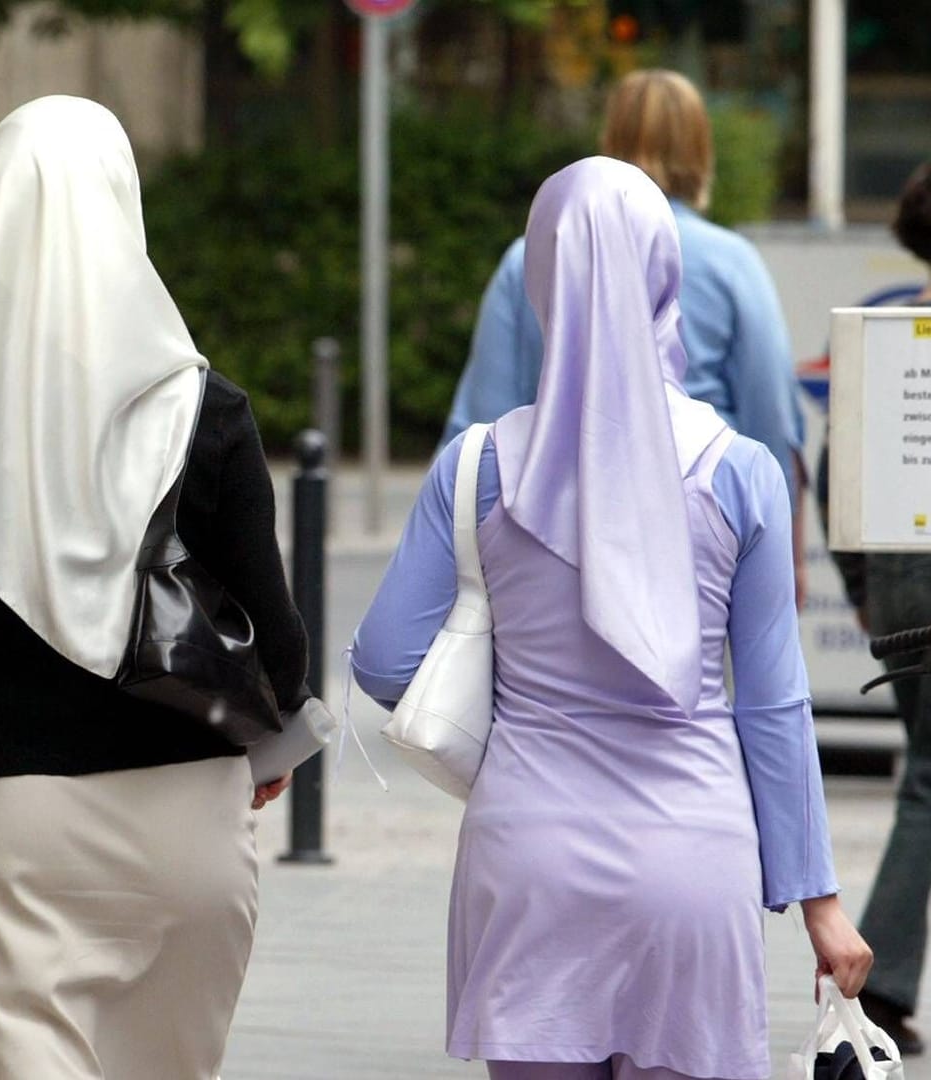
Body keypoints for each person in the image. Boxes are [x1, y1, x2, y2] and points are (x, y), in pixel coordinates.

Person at [354, 157, 870, 1080]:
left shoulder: (473, 468)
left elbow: (385, 661)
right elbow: (774, 706)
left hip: (526, 859)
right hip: (694, 864)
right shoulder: (741, 472)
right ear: (666, 271)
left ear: (543, 278)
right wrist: (818, 902)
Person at [0, 96, 310, 1080]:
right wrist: (280, 750)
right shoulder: (207, 412)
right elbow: (281, 648)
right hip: (191, 822)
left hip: (15, 821)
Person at [444, 70, 812, 603]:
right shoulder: (734, 265)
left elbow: (481, 422)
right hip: (701, 547)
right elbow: (771, 421)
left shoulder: (530, 256)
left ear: (608, 144)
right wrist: (784, 560)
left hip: (550, 540)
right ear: (702, 151)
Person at [820, 161, 931, 1056]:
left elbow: (836, 470)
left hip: (901, 585)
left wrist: (862, 586)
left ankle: (888, 982)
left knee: (926, 773)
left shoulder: (888, 338)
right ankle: (886, 980)